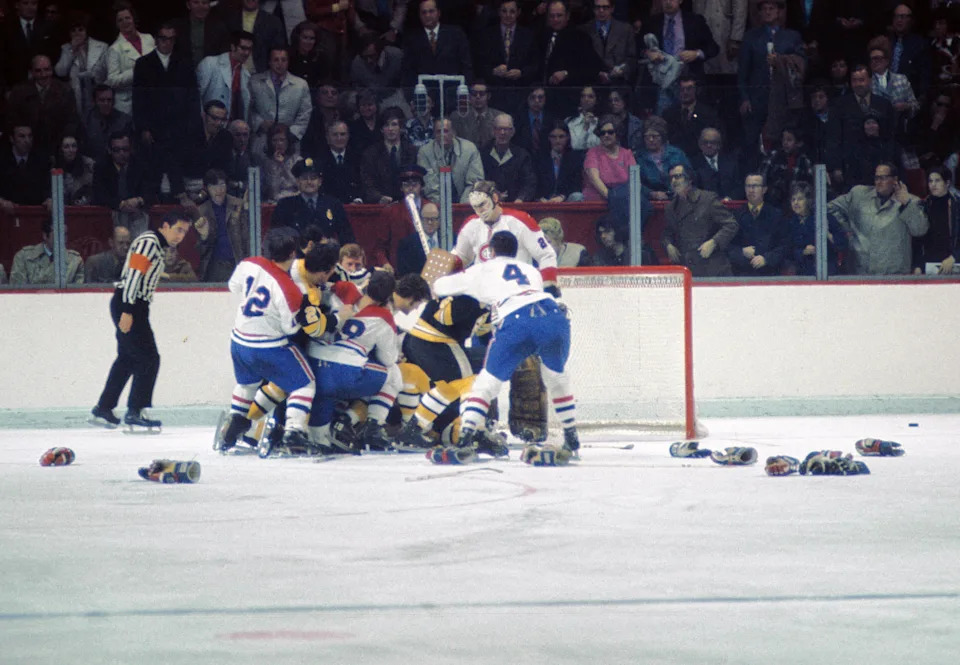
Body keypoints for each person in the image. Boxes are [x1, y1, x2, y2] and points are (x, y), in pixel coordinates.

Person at [433, 230, 580, 463]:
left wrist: (438, 275)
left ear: (490, 251)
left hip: (516, 321)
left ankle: (465, 439)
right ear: (516, 250)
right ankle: (571, 437)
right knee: (556, 378)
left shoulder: (481, 269)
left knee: (487, 382)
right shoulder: (531, 270)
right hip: (553, 315)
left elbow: (440, 286)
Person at [215, 227, 328, 454]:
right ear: (292, 254)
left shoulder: (248, 263)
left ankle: (237, 418)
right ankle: (294, 432)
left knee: (247, 383)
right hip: (268, 347)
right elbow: (291, 327)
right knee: (305, 383)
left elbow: (233, 286)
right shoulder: (288, 288)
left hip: (239, 341)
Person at [90, 209, 193, 430]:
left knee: (127, 358)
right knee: (149, 358)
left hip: (132, 303)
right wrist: (128, 310)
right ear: (165, 225)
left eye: (185, 232)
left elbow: (140, 272)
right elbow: (134, 276)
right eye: (178, 230)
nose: (181, 236)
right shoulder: (149, 242)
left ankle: (104, 408)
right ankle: (135, 411)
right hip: (130, 303)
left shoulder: (154, 244)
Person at [307, 270, 405, 452]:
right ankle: (372, 425)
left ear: (367, 283)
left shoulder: (342, 290)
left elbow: (320, 292)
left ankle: (318, 434)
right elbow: (388, 358)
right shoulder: (383, 316)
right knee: (393, 374)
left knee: (319, 441)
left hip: (312, 368)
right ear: (389, 296)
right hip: (344, 373)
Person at [453, 180, 559, 293]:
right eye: (475, 207)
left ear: (494, 198)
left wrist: (549, 284)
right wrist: (447, 269)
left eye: (483, 204)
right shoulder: (471, 225)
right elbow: (461, 257)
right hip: (483, 296)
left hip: (517, 293)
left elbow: (546, 254)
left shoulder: (521, 221)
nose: (480, 210)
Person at [827, 162, 929, 275]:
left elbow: (919, 230)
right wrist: (846, 230)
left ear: (895, 180)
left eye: (883, 178)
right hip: (860, 271)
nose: (878, 182)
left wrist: (907, 204)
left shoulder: (912, 201)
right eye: (876, 178)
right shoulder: (859, 195)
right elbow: (830, 208)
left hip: (893, 275)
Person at [737, 0, 804, 153]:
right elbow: (743, 71)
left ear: (779, 11)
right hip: (758, 98)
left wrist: (781, 61)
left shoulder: (791, 36)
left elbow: (801, 63)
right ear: (759, 13)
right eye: (764, 9)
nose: (768, 12)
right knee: (754, 144)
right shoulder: (751, 37)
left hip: (783, 98)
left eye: (771, 8)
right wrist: (745, 97)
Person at [662, 162, 739, 276]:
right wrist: (668, 245)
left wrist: (714, 242)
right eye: (671, 178)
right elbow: (667, 232)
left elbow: (731, 224)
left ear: (690, 179)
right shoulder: (671, 207)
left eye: (678, 176)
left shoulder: (707, 199)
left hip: (713, 268)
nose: (674, 181)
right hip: (687, 270)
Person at [7, 54, 79, 159]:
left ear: (52, 70)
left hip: (58, 147)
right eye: (38, 71)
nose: (43, 74)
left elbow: (72, 120)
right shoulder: (19, 92)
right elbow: (12, 120)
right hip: (29, 149)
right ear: (31, 72)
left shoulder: (65, 91)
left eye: (47, 70)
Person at [271, 157, 354, 242]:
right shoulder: (285, 205)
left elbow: (347, 236)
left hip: (326, 253)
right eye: (304, 178)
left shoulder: (333, 204)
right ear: (297, 181)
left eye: (313, 178)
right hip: (296, 253)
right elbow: (276, 238)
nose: (309, 182)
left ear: (320, 181)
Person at [249, 47, 313, 156]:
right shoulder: (255, 81)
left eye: (283, 60)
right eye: (276, 60)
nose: (280, 63)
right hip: (262, 136)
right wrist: (260, 123)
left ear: (288, 62)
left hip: (290, 141)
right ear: (269, 62)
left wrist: (290, 133)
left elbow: (305, 113)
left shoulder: (300, 85)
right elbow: (248, 108)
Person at [92, 132, 155, 236]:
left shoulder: (141, 165)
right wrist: (121, 204)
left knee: (140, 243)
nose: (121, 153)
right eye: (117, 150)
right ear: (109, 150)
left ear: (131, 149)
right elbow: (99, 195)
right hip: (112, 212)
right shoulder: (101, 167)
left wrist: (138, 200)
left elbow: (151, 191)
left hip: (137, 212)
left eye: (125, 149)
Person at [400, 0, 473, 89]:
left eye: (431, 11)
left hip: (453, 92)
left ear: (439, 13)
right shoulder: (412, 39)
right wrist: (414, 97)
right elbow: (407, 71)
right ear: (419, 15)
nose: (427, 15)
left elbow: (466, 66)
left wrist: (464, 91)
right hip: (424, 95)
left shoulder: (456, 34)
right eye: (424, 12)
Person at [727, 172, 789, 276]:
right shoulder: (735, 215)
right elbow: (727, 246)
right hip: (742, 274)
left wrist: (767, 258)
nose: (751, 190)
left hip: (770, 274)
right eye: (748, 186)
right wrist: (741, 252)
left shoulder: (776, 215)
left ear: (764, 189)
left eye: (755, 186)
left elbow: (785, 245)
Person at [195, 168, 249, 282]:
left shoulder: (238, 205)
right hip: (215, 265)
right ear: (207, 188)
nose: (218, 190)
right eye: (213, 186)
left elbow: (246, 237)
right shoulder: (202, 210)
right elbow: (200, 249)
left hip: (238, 261)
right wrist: (204, 237)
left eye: (222, 185)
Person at [53, 10, 109, 118]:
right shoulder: (66, 48)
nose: (77, 33)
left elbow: (106, 71)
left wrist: (92, 75)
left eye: (80, 30)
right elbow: (60, 71)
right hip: (76, 95)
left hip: (97, 92)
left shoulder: (102, 47)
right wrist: (72, 51)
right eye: (73, 30)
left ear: (86, 31)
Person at [417, 117, 484, 204]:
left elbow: (474, 183)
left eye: (445, 131)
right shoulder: (425, 152)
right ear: (434, 134)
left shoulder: (470, 149)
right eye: (438, 132)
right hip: (436, 205)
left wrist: (462, 207)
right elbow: (430, 187)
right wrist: (444, 208)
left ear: (453, 132)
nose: (442, 135)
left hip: (465, 203)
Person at [105, 2, 156, 115]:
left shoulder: (149, 38)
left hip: (153, 97)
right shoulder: (114, 49)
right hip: (129, 105)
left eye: (127, 18)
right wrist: (136, 71)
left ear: (133, 19)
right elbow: (112, 80)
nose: (125, 22)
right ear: (116, 24)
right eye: (120, 20)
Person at [360, 107, 418, 204]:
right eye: (386, 125)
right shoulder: (371, 153)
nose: (390, 129)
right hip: (381, 206)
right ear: (382, 129)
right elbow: (367, 182)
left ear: (401, 127)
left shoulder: (412, 151)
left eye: (394, 124)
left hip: (407, 203)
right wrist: (379, 197)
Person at [787, 181, 846, 276]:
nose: (795, 203)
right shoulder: (790, 222)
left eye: (800, 199)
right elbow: (787, 251)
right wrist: (802, 252)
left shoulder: (823, 217)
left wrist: (828, 234)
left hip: (827, 273)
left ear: (809, 200)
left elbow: (843, 244)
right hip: (803, 275)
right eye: (793, 199)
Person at [196, 30, 255, 122]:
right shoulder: (210, 63)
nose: (247, 53)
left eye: (249, 49)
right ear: (233, 47)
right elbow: (196, 96)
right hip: (209, 125)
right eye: (243, 48)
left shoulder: (246, 74)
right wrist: (201, 121)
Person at [661, 75, 722, 159]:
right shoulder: (668, 114)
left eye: (689, 89)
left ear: (696, 90)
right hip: (675, 158)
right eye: (682, 89)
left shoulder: (708, 113)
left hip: (702, 159)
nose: (685, 92)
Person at [480, 113, 536, 203]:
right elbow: (478, 181)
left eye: (506, 129)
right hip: (488, 205)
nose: (503, 133)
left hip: (516, 205)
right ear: (493, 131)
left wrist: (521, 199)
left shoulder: (522, 155)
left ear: (513, 132)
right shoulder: (483, 154)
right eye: (499, 129)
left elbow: (529, 183)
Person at [915, 165, 960, 275]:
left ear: (947, 183)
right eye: (930, 181)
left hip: (953, 263)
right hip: (928, 265)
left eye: (937, 180)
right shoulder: (923, 205)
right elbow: (918, 240)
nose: (933, 184)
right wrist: (917, 265)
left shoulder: (957, 205)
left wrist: (954, 257)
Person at [9, 219, 84, 285]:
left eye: (64, 235)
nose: (63, 239)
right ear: (45, 235)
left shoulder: (75, 261)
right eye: (58, 235)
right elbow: (17, 291)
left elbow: (77, 295)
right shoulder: (23, 257)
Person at [582, 114, 637, 203]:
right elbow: (594, 179)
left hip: (623, 200)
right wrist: (612, 198)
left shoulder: (627, 154)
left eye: (610, 132)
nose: (606, 135)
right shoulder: (592, 153)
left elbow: (634, 182)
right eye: (602, 133)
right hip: (597, 203)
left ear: (618, 133)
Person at [634, 115, 689, 201]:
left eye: (655, 136)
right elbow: (635, 183)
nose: (651, 139)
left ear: (662, 137)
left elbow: (689, 176)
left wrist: (673, 193)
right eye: (647, 136)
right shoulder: (638, 157)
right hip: (651, 201)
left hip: (679, 199)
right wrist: (652, 194)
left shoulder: (677, 153)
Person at [581, 0, 636, 86]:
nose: (601, 11)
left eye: (605, 7)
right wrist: (596, 72)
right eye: (598, 7)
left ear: (612, 8)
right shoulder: (584, 30)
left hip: (619, 84)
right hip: (591, 85)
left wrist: (623, 70)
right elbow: (581, 60)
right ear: (593, 9)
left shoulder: (626, 29)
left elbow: (632, 58)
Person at [223, 0, 286, 74]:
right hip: (231, 72)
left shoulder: (273, 22)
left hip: (261, 74)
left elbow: (278, 53)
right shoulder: (229, 19)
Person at [760, 126, 814, 210]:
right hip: (773, 201)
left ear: (798, 143)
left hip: (795, 203)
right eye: (783, 140)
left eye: (789, 140)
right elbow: (762, 176)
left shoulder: (804, 161)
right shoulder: (774, 156)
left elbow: (809, 185)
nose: (785, 143)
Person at [535, 120, 585, 203]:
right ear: (548, 138)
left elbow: (577, 184)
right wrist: (540, 198)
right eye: (553, 137)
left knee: (577, 196)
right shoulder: (540, 158)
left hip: (566, 199)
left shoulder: (575, 158)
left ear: (567, 137)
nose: (557, 141)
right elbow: (535, 183)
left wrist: (562, 197)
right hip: (544, 201)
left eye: (561, 137)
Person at [81, 84, 133, 162]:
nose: (106, 103)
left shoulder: (125, 121)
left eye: (109, 100)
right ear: (94, 102)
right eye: (102, 100)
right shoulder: (86, 121)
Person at [315, 121, 363, 204]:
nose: (339, 138)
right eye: (335, 135)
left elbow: (362, 183)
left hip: (354, 205)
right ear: (327, 138)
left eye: (342, 134)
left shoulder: (358, 157)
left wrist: (357, 200)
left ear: (348, 136)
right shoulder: (319, 159)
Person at [690, 127, 742, 201]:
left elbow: (739, 186)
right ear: (699, 144)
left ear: (719, 144)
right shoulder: (693, 164)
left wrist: (729, 198)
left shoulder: (731, 162)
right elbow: (692, 189)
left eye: (713, 142)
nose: (709, 145)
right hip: (704, 207)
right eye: (705, 142)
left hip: (730, 206)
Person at [449, 80, 505, 149]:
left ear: (488, 96)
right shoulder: (457, 116)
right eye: (474, 93)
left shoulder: (500, 117)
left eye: (482, 93)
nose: (478, 97)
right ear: (469, 96)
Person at [172, 0, 230, 67]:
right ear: (188, 5)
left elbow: (224, 57)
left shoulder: (220, 28)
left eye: (204, 3)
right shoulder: (176, 26)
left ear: (209, 5)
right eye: (196, 2)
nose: (200, 6)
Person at [396, 201, 440, 276]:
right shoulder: (407, 244)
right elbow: (405, 274)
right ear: (420, 220)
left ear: (439, 220)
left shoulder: (451, 239)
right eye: (426, 219)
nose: (430, 222)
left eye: (433, 219)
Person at [56, 134, 96, 204]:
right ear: (61, 149)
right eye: (66, 147)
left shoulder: (89, 166)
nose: (71, 150)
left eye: (73, 146)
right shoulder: (54, 167)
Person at [565, 85, 601, 151]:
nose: (586, 99)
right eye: (583, 96)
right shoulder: (571, 122)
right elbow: (576, 147)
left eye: (590, 96)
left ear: (596, 100)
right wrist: (586, 127)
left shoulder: (601, 122)